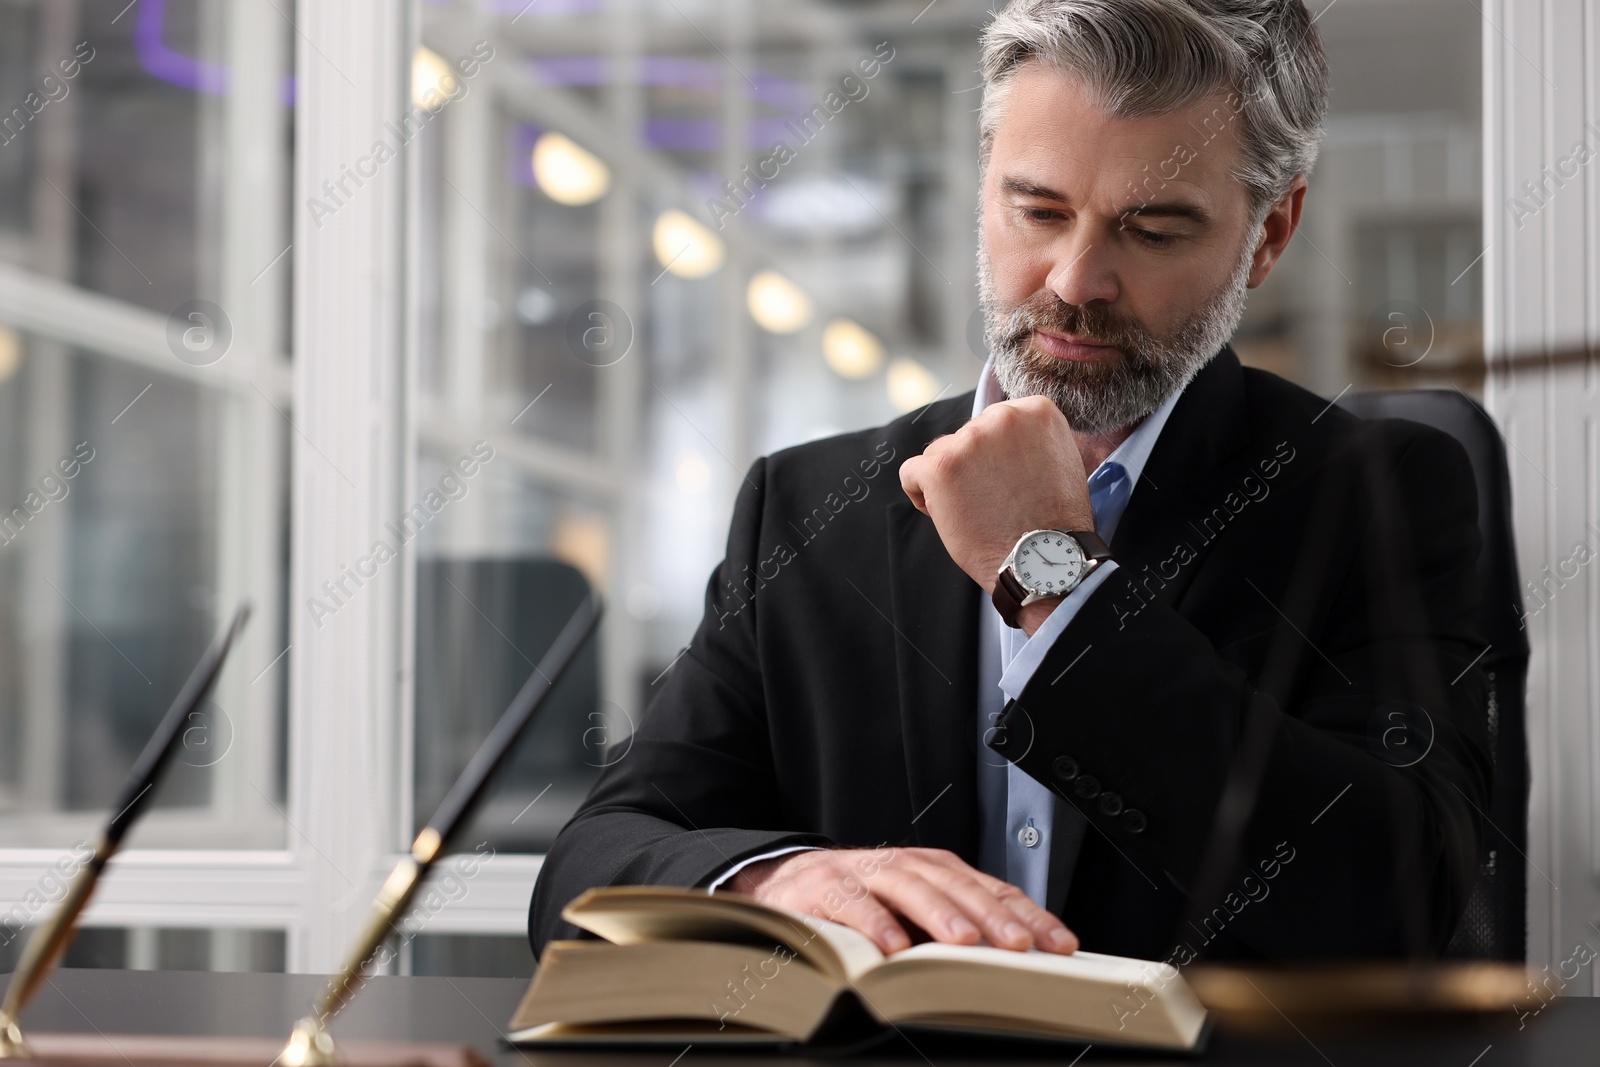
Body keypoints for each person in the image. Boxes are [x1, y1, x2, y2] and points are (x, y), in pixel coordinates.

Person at [529, 0, 1490, 965]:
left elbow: (1401, 898)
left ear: (1271, 232)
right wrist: (775, 877)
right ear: (981, 187)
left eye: (1151, 230)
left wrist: (1055, 580)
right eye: (1037, 210)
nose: (1075, 279)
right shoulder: (804, 507)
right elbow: (591, 866)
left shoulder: (1380, 492)